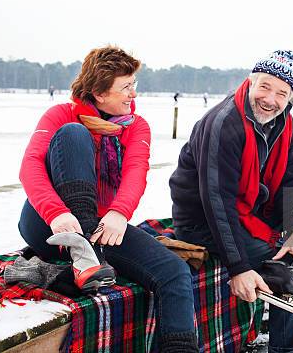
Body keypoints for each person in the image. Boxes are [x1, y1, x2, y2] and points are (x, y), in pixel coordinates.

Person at [18, 46, 198, 352]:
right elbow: (30, 166)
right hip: (49, 223)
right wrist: (55, 213)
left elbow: (136, 171)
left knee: (175, 273)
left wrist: (118, 213)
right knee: (74, 134)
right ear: (100, 93)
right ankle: (86, 254)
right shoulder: (60, 114)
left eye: (134, 85)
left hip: (103, 228)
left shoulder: (135, 126)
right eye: (126, 87)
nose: (133, 95)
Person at [169, 40, 293, 353]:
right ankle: (288, 337)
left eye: (281, 93)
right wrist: (239, 268)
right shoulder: (223, 123)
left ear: (291, 97)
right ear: (251, 79)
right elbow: (216, 201)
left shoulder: (283, 123)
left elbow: (291, 178)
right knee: (282, 260)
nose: (270, 100)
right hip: (204, 220)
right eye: (265, 87)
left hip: (254, 209)